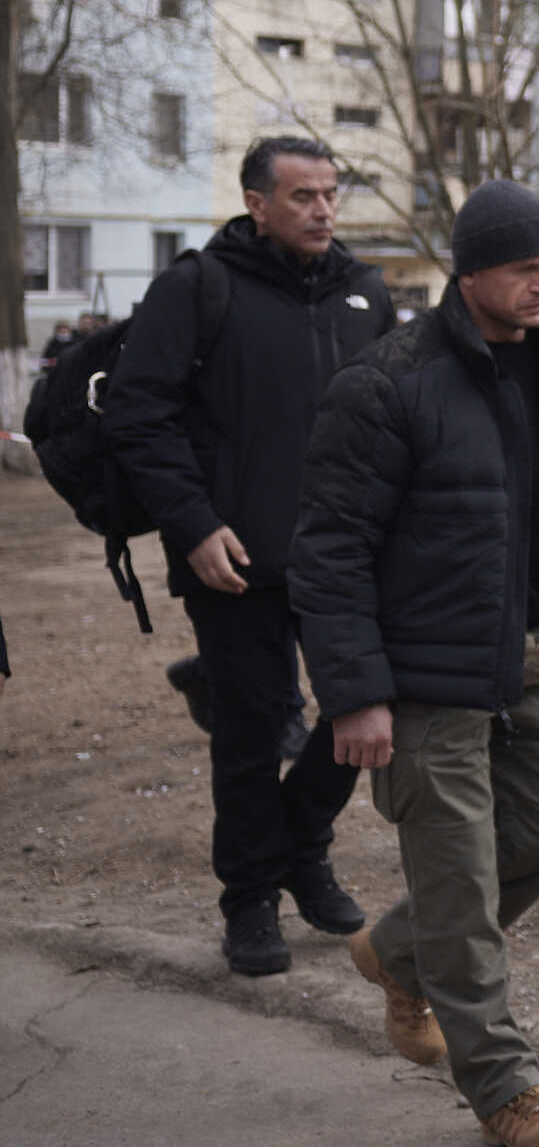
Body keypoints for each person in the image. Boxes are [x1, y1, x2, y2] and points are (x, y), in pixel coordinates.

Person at [290, 179, 539, 1147]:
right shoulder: (387, 382)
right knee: (460, 891)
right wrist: (354, 691)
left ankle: (395, 954)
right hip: (426, 679)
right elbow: (333, 547)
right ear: (469, 270)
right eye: (525, 268)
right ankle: (505, 1089)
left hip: (538, 664)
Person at [105, 135, 394, 975]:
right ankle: (250, 901)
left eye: (331, 194)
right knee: (249, 734)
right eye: (303, 196)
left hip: (345, 561)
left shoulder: (364, 293)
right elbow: (136, 416)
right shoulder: (200, 287)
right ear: (257, 203)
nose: (322, 210)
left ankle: (300, 849)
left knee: (362, 717)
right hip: (235, 563)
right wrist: (193, 525)